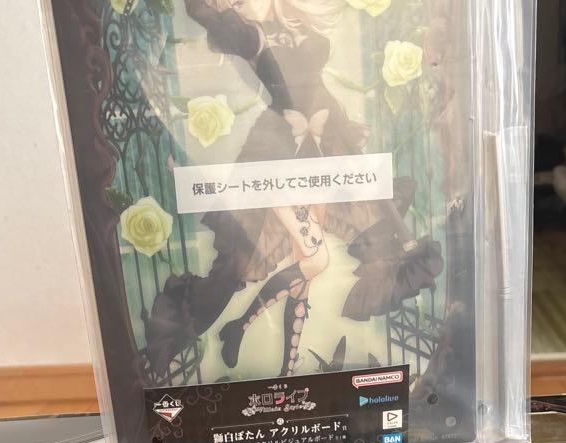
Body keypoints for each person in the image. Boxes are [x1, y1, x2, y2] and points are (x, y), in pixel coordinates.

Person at [144, 0, 441, 378]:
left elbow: (316, 91)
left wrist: (342, 125)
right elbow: (203, 14)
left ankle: (285, 370)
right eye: (232, 2)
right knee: (315, 261)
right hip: (281, 160)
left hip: (319, 153)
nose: (237, 6)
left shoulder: (294, 27)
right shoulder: (251, 35)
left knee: (308, 273)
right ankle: (239, 328)